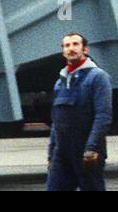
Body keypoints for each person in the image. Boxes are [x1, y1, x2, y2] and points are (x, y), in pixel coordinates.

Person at [47, 32, 113, 191]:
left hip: (86, 152)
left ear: (85, 49)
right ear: (63, 51)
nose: (71, 49)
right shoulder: (60, 81)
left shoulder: (98, 77)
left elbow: (103, 116)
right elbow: (56, 121)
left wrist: (91, 147)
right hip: (62, 154)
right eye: (67, 45)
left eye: (75, 44)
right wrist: (51, 153)